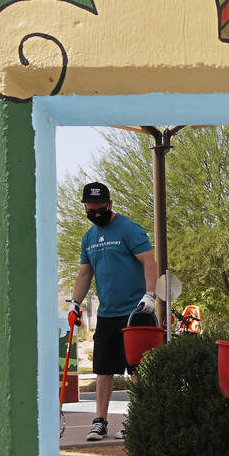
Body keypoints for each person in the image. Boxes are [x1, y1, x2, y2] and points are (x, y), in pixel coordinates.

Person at [68, 182, 158, 442]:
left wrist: (150, 295)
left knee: (137, 370)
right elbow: (85, 274)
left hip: (135, 312)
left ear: (110, 205)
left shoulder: (129, 229)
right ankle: (100, 422)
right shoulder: (89, 238)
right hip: (106, 314)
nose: (96, 215)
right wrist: (75, 302)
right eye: (90, 210)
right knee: (103, 370)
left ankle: (140, 419)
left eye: (100, 210)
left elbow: (148, 261)